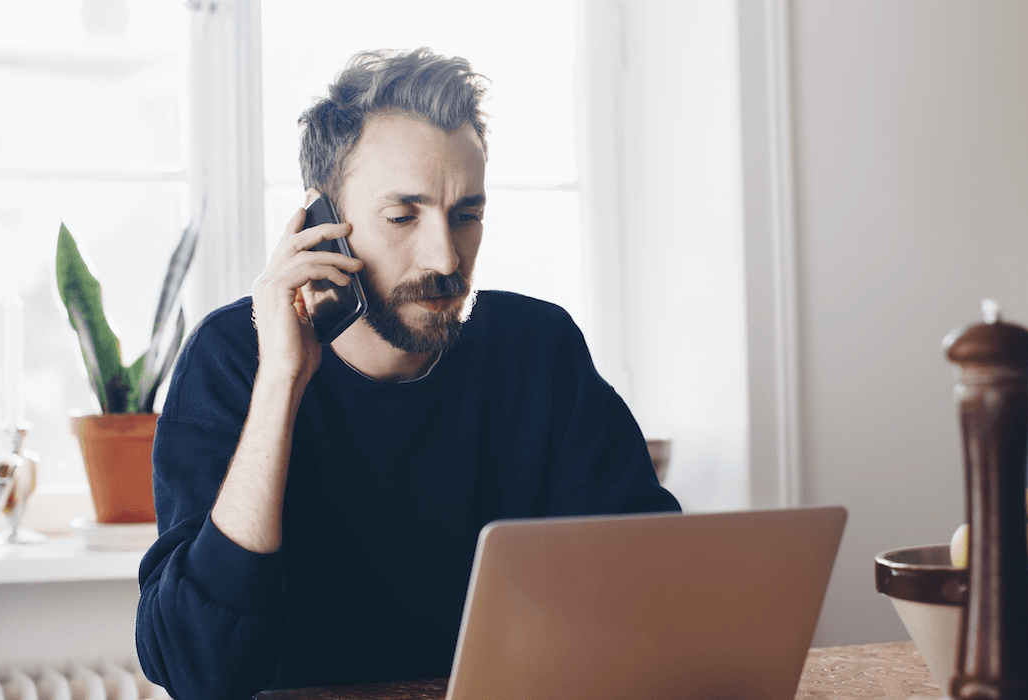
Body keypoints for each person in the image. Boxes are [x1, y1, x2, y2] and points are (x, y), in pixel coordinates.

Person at [135, 48, 680, 700]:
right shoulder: (232, 359)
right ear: (322, 225)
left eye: (466, 215)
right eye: (403, 216)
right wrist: (282, 379)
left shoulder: (538, 350)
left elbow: (653, 592)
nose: (446, 255)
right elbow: (201, 670)